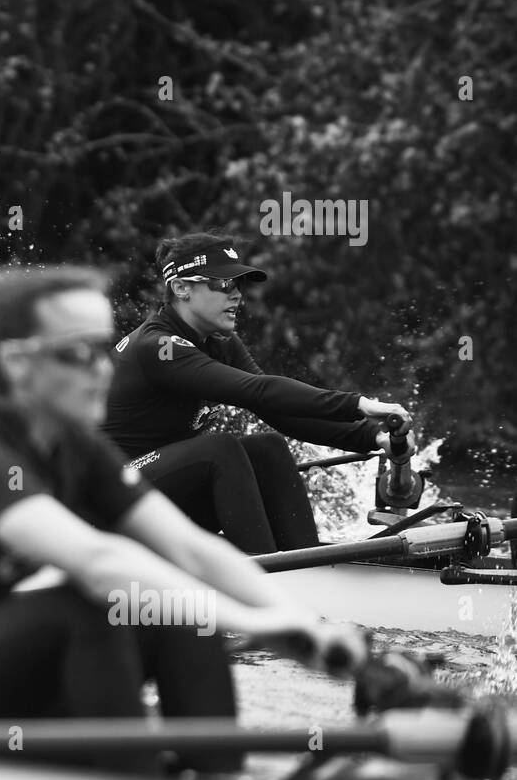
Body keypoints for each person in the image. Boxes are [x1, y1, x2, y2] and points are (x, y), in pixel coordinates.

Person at [0, 265, 365, 776]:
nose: (104, 370)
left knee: (177, 608)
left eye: (103, 347)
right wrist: (255, 624)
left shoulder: (80, 449)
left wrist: (300, 623)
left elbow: (192, 549)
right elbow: (97, 561)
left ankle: (218, 773)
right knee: (96, 600)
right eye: (80, 353)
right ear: (18, 363)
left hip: (4, 689)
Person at [101, 233, 416, 552]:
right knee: (219, 449)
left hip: (164, 494)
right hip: (112, 500)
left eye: (239, 285)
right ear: (182, 288)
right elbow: (258, 389)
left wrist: (374, 438)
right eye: (224, 285)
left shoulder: (219, 342)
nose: (236, 295)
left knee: (268, 447)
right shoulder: (160, 347)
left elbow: (278, 410)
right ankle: (266, 575)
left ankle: (304, 561)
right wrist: (359, 404)